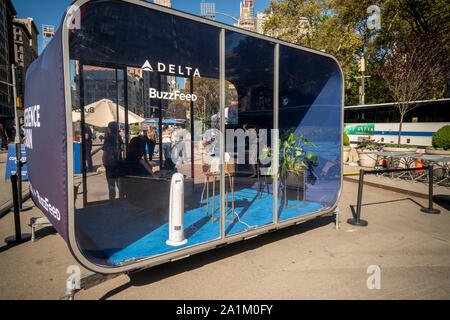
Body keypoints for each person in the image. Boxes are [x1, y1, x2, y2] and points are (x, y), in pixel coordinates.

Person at [102, 122, 122, 200]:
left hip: (110, 163)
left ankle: (112, 198)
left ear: (110, 129)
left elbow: (105, 151)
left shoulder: (108, 138)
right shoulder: (119, 137)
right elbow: (120, 149)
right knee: (119, 182)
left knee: (111, 182)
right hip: (118, 162)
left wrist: (103, 161)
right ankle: (121, 197)